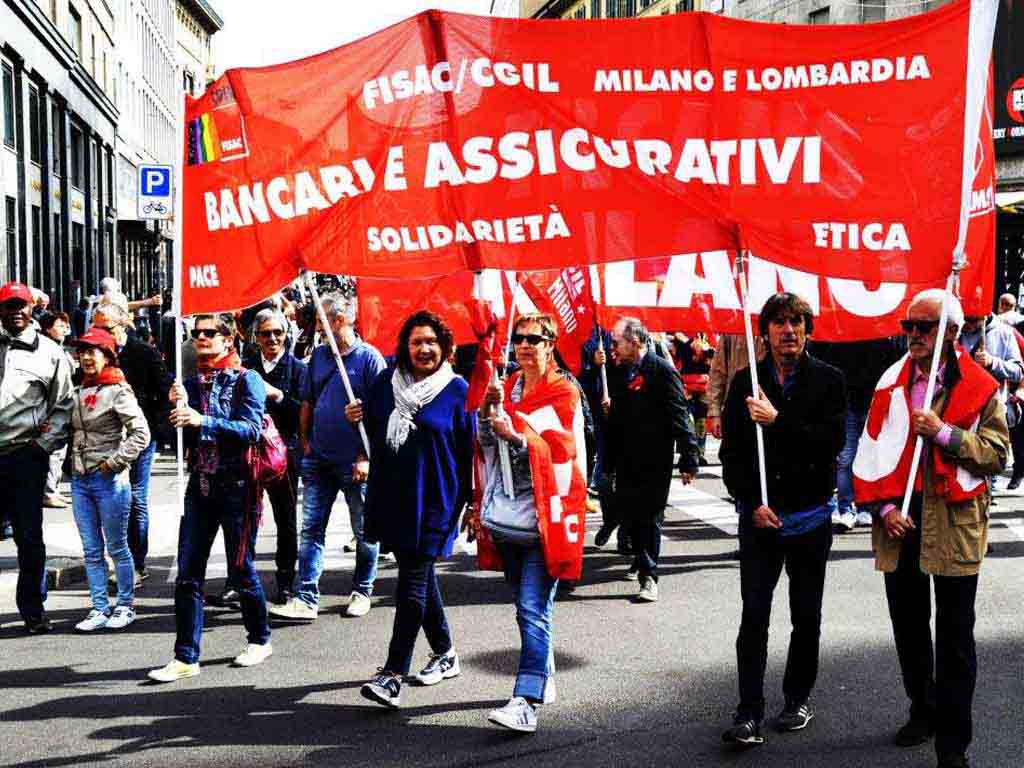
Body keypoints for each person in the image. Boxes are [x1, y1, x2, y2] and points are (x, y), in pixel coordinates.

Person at [853, 290, 1008, 768]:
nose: (914, 336)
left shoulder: (980, 385)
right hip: (900, 522)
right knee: (909, 625)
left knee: (956, 637)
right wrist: (881, 510)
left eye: (925, 327)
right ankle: (923, 709)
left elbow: (998, 453)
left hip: (955, 523)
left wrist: (944, 432)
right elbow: (871, 449)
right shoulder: (889, 381)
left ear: (952, 333)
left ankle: (953, 745)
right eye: (909, 327)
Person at [719, 292, 847, 748]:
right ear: (765, 331)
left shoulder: (830, 380)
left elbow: (829, 444)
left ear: (807, 330)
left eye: (796, 322)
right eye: (778, 322)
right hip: (761, 522)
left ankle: (797, 698)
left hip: (810, 519)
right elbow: (731, 455)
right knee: (754, 615)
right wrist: (751, 501)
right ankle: (747, 711)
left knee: (805, 616)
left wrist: (778, 420)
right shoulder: (744, 383)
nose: (788, 330)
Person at [348, 311, 475, 709]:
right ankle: (446, 653)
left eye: (431, 342)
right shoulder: (386, 384)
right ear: (404, 346)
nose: (423, 349)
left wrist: (472, 503)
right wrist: (357, 417)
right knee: (418, 578)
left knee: (412, 584)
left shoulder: (457, 391)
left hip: (437, 500)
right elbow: (371, 427)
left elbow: (470, 452)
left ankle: (392, 674)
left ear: (445, 348)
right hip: (394, 497)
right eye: (416, 341)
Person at [469, 312, 587, 733]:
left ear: (550, 344)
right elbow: (483, 446)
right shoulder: (506, 388)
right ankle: (546, 674)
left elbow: (562, 453)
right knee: (528, 608)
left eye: (533, 339)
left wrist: (516, 435)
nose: (523, 345)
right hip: (508, 517)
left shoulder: (563, 392)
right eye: (518, 338)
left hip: (545, 520)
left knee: (533, 607)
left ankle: (527, 700)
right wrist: (487, 414)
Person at [148, 313, 272, 682]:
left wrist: (203, 421)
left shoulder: (247, 380)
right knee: (188, 573)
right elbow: (168, 433)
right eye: (195, 333)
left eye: (208, 333)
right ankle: (185, 656)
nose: (200, 338)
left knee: (241, 569)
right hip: (199, 486)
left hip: (237, 487)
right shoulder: (188, 384)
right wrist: (168, 406)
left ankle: (260, 638)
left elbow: (251, 430)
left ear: (228, 339)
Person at [270, 293, 386, 621]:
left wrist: (366, 456)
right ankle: (306, 597)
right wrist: (306, 443)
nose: (318, 327)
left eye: (322, 320)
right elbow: (307, 401)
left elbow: (382, 412)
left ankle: (362, 590)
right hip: (318, 458)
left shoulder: (369, 359)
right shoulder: (319, 357)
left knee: (364, 530)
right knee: (311, 529)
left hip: (355, 462)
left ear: (339, 321)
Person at [605, 317, 699, 601]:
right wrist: (608, 461)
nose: (613, 348)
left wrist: (688, 458)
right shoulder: (618, 371)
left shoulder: (662, 371)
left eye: (617, 342)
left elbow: (679, 415)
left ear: (634, 342)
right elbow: (615, 423)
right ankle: (638, 558)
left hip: (654, 457)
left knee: (650, 516)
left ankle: (649, 577)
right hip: (625, 457)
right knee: (630, 513)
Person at [0, 282, 75, 634]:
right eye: (8, 306)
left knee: (29, 538)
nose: (15, 311)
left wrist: (42, 446)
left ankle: (32, 610)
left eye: (21, 305)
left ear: (32, 310)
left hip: (23, 455)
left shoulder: (49, 352)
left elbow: (63, 406)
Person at [67, 328, 150, 631]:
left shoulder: (118, 389)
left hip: (109, 481)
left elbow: (142, 433)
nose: (87, 357)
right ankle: (99, 607)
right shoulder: (78, 389)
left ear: (107, 355)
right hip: (80, 480)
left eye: (93, 351)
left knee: (117, 547)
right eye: (83, 351)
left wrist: (113, 464)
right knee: (91, 549)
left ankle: (125, 606)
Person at [92, 300, 172, 586]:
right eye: (96, 328)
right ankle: (119, 559)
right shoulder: (95, 356)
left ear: (123, 324)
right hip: (106, 438)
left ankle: (137, 564)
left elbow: (165, 391)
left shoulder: (144, 352)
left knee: (136, 497)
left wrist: (158, 428)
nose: (100, 335)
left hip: (139, 437)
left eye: (106, 328)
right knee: (111, 499)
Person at [245, 308, 308, 605]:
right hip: (247, 455)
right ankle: (241, 579)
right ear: (255, 337)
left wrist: (278, 395)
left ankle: (285, 581)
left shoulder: (298, 369)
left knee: (286, 519)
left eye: (278, 333)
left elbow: (304, 412)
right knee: (244, 519)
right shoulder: (245, 368)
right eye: (265, 333)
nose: (272, 339)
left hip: (285, 455)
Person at [809, 338, 904, 531]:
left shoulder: (883, 341)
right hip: (850, 405)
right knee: (846, 458)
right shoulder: (841, 339)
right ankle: (847, 507)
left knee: (872, 456)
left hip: (875, 404)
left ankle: (866, 505)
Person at [958, 310, 1022, 493]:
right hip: (961, 409)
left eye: (971, 319)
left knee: (989, 456)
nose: (966, 324)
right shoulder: (955, 332)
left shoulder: (1004, 332)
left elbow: (1018, 370)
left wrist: (992, 362)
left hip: (990, 408)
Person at [39, 311, 75, 509]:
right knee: (55, 451)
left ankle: (54, 489)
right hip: (52, 409)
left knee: (60, 452)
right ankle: (49, 492)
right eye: (60, 325)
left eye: (65, 325)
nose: (65, 330)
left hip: (64, 406)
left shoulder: (61, 349)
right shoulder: (47, 350)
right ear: (48, 328)